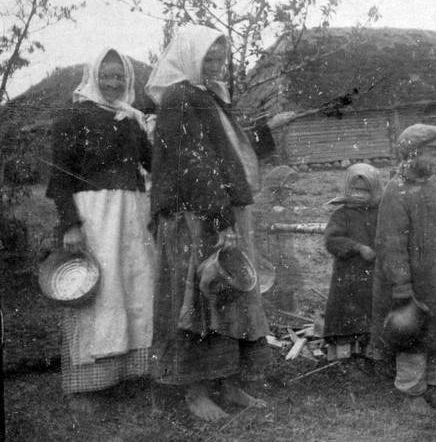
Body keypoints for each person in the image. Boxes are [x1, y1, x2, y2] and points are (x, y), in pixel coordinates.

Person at [146, 25, 295, 422]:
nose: (214, 66)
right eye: (207, 59)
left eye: (219, 59)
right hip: (195, 216)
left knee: (230, 299)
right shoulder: (180, 96)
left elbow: (233, 152)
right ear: (189, 58)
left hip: (220, 210)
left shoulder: (210, 96)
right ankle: (195, 389)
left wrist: (268, 129)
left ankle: (228, 382)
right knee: (198, 300)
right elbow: (193, 162)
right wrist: (219, 218)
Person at [46, 48, 155, 412]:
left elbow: (151, 163)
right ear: (93, 76)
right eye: (105, 76)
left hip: (131, 214)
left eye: (118, 76)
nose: (112, 83)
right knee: (100, 291)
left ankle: (125, 375)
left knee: (133, 288)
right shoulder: (73, 116)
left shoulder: (131, 118)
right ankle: (86, 387)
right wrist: (70, 224)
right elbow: (59, 176)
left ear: (128, 80)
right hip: (94, 215)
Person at [369, 124, 436, 415]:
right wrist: (402, 288)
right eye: (431, 153)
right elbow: (391, 245)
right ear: (411, 155)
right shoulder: (396, 192)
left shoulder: (434, 185)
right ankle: (413, 394)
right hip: (414, 283)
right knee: (414, 337)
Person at [323, 163, 384, 359]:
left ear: (374, 190)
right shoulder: (341, 214)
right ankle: (345, 359)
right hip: (348, 276)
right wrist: (357, 247)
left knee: (370, 313)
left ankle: (369, 353)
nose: (359, 195)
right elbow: (331, 241)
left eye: (365, 191)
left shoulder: (381, 212)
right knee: (346, 316)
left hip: (373, 274)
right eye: (355, 189)